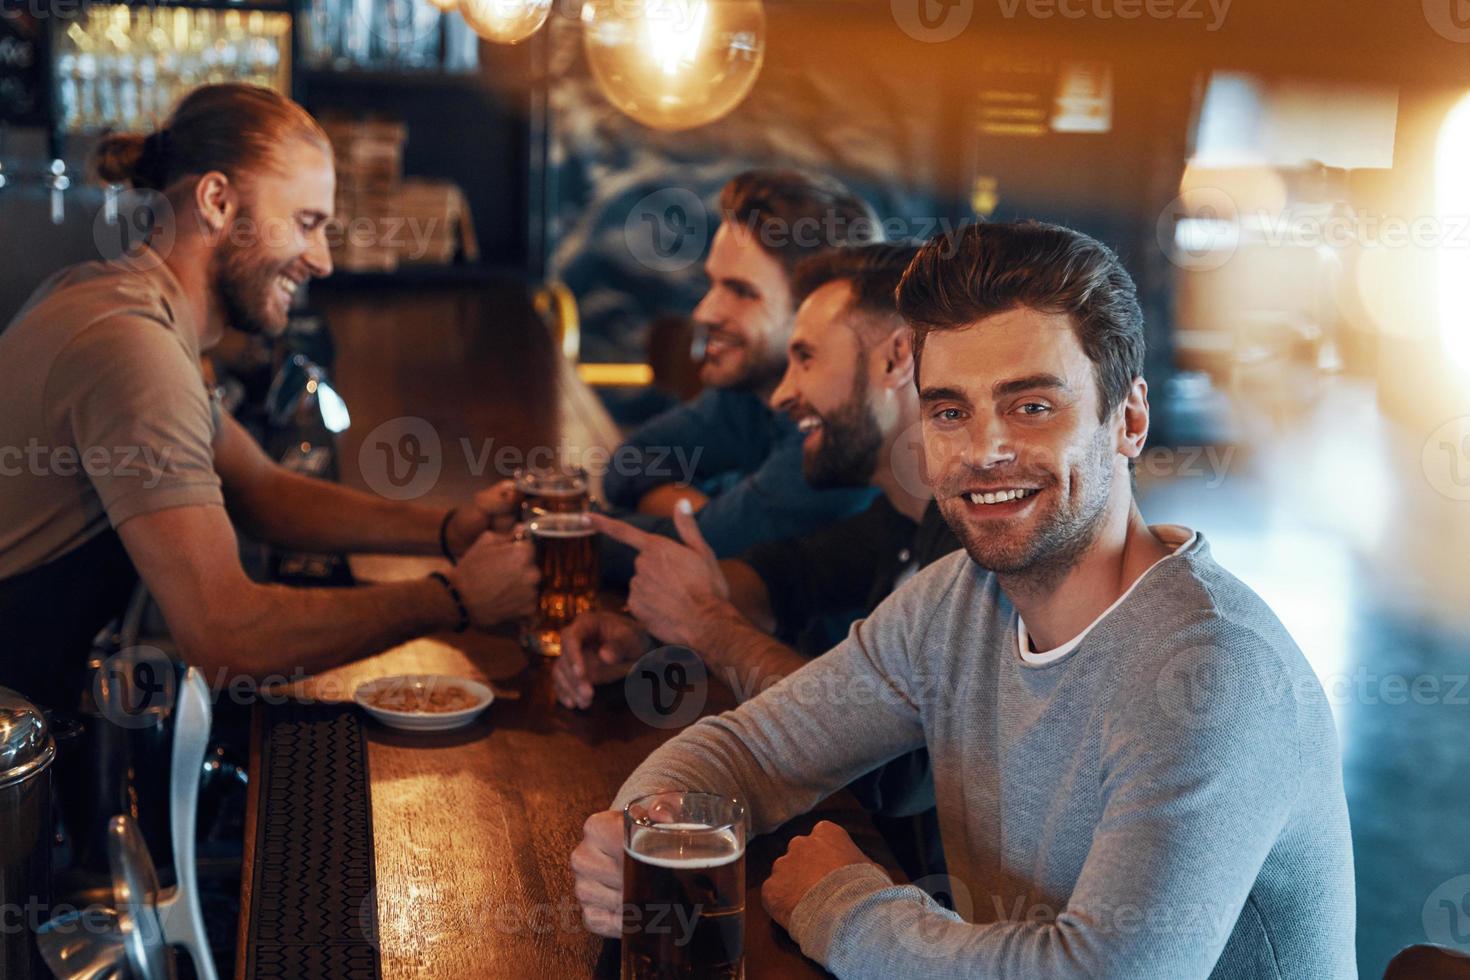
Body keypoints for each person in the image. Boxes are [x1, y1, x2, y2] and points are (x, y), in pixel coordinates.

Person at [571, 221, 1355, 978]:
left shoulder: (1212, 673)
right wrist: (638, 834)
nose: (984, 451)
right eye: (950, 411)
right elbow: (748, 751)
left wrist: (842, 907)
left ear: (1131, 419)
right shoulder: (958, 601)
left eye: (1032, 406)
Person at [0, 84, 537, 711]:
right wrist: (454, 598)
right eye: (307, 223)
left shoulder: (123, 305)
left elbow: (261, 490)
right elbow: (228, 635)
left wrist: (449, 529)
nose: (323, 260)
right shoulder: (129, 346)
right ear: (218, 201)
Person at [553, 242, 959, 711]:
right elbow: (781, 576)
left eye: (806, 358)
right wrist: (648, 633)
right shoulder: (896, 516)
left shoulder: (971, 544)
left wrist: (703, 624)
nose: (784, 393)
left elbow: (860, 720)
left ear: (895, 360)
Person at [599, 171, 882, 579]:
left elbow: (702, 551)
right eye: (712, 284)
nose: (705, 312)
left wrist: (557, 528)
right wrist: (704, 514)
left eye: (742, 292)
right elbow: (630, 462)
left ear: (817, 312)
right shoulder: (749, 389)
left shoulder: (838, 429)